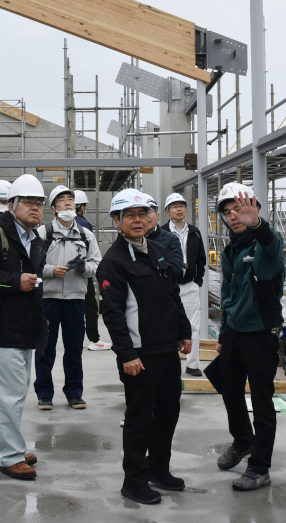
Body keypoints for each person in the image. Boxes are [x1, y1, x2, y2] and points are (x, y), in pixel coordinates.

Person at [97, 188, 192, 505]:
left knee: (168, 411)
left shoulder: (156, 250)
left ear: (151, 218)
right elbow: (112, 314)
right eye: (129, 216)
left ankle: (158, 468)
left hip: (166, 349)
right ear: (117, 220)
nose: (137, 220)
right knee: (139, 418)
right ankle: (134, 480)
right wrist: (126, 355)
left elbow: (172, 294)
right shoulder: (114, 262)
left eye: (142, 214)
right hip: (140, 355)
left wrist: (184, 330)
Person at [0, 174, 47, 481]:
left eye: (39, 203)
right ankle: (11, 456)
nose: (35, 208)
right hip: (1, 327)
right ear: (12, 205)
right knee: (7, 396)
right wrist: (15, 282)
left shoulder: (36, 238)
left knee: (13, 392)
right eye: (28, 202)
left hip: (24, 327)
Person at [214, 182, 284, 492]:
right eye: (228, 212)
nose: (234, 216)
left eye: (239, 209)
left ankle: (259, 467)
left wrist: (258, 224)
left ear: (252, 208)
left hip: (260, 334)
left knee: (261, 400)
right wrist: (223, 329)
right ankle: (243, 440)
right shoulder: (231, 249)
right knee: (228, 387)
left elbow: (270, 242)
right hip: (234, 332)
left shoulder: (265, 246)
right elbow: (227, 290)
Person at [34, 185, 101, 410]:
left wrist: (84, 269)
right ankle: (44, 394)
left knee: (74, 349)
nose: (68, 203)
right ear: (53, 209)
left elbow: (97, 264)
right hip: (49, 299)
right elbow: (33, 264)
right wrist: (51, 270)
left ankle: (74, 393)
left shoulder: (85, 234)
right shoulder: (44, 233)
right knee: (45, 349)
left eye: (70, 199)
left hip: (75, 299)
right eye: (62, 200)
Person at [163, 193, 208, 377]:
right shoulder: (162, 233)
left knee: (193, 326)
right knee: (167, 325)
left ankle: (193, 364)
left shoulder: (194, 232)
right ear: (167, 211)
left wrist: (197, 281)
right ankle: (169, 364)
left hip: (190, 286)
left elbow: (201, 260)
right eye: (174, 206)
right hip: (169, 287)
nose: (179, 209)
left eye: (182, 205)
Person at [74, 190, 112, 352]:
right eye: (84, 206)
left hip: (66, 273)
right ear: (80, 207)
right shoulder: (84, 224)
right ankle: (94, 339)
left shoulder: (60, 222)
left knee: (74, 308)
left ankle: (77, 339)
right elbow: (91, 251)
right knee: (90, 306)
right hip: (84, 271)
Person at [142, 194, 184, 280]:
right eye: (142, 213)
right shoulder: (130, 241)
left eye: (149, 211)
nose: (147, 216)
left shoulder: (171, 239)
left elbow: (174, 270)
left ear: (158, 216)